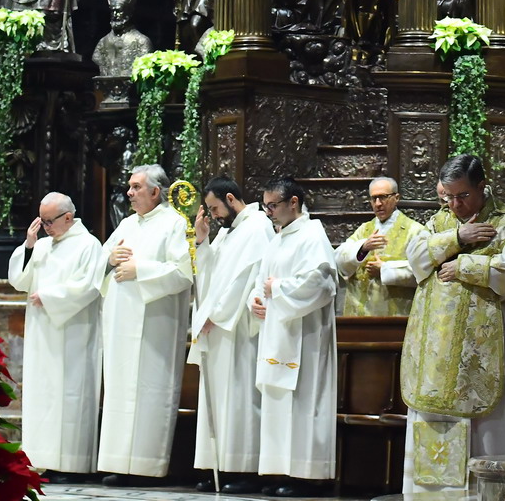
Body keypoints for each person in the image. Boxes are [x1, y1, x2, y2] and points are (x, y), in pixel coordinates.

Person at [399, 155, 505, 494]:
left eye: (463, 196)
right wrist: (458, 237)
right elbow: (416, 259)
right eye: (448, 197)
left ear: (482, 186)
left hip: (488, 343)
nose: (455, 204)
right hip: (438, 350)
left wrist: (464, 266)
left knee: (491, 423)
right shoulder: (440, 223)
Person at [97, 164, 193, 484]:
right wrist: (109, 261)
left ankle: (146, 467)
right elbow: (100, 260)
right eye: (129, 186)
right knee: (121, 390)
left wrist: (142, 269)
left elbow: (183, 272)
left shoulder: (175, 224)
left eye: (136, 187)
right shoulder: (126, 223)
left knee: (150, 392)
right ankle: (119, 463)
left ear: (155, 191)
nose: (129, 193)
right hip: (121, 323)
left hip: (155, 326)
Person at [7, 192, 104, 481]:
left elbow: (89, 286)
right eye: (42, 220)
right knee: (44, 394)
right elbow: (19, 280)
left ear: (68, 217)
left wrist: (50, 296)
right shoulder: (44, 245)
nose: (46, 226)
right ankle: (43, 459)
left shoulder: (89, 245)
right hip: (42, 333)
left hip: (73, 334)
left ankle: (71, 465)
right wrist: (28, 245)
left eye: (49, 221)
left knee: (69, 395)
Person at [251, 177, 337, 496]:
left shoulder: (312, 235)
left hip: (307, 336)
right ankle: (280, 472)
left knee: (304, 402)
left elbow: (322, 282)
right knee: (279, 401)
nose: (268, 211)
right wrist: (257, 301)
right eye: (265, 206)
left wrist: (278, 290)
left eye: (273, 205)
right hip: (278, 331)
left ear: (294, 203)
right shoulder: (278, 238)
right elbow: (261, 281)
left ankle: (308, 475)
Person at [188, 177, 274, 493]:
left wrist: (216, 313)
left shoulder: (257, 228)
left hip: (238, 329)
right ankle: (218, 465)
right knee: (217, 399)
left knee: (238, 398)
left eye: (214, 208)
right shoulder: (227, 232)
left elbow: (247, 279)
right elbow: (210, 275)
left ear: (230, 198)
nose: (213, 215)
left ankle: (242, 468)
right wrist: (202, 241)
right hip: (217, 327)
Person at [334, 177, 426, 317]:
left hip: (395, 314)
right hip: (359, 314)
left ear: (396, 198)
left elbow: (424, 270)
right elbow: (339, 259)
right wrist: (362, 248)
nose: (378, 204)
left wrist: (385, 269)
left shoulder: (415, 231)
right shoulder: (364, 230)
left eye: (383, 197)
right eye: (374, 198)